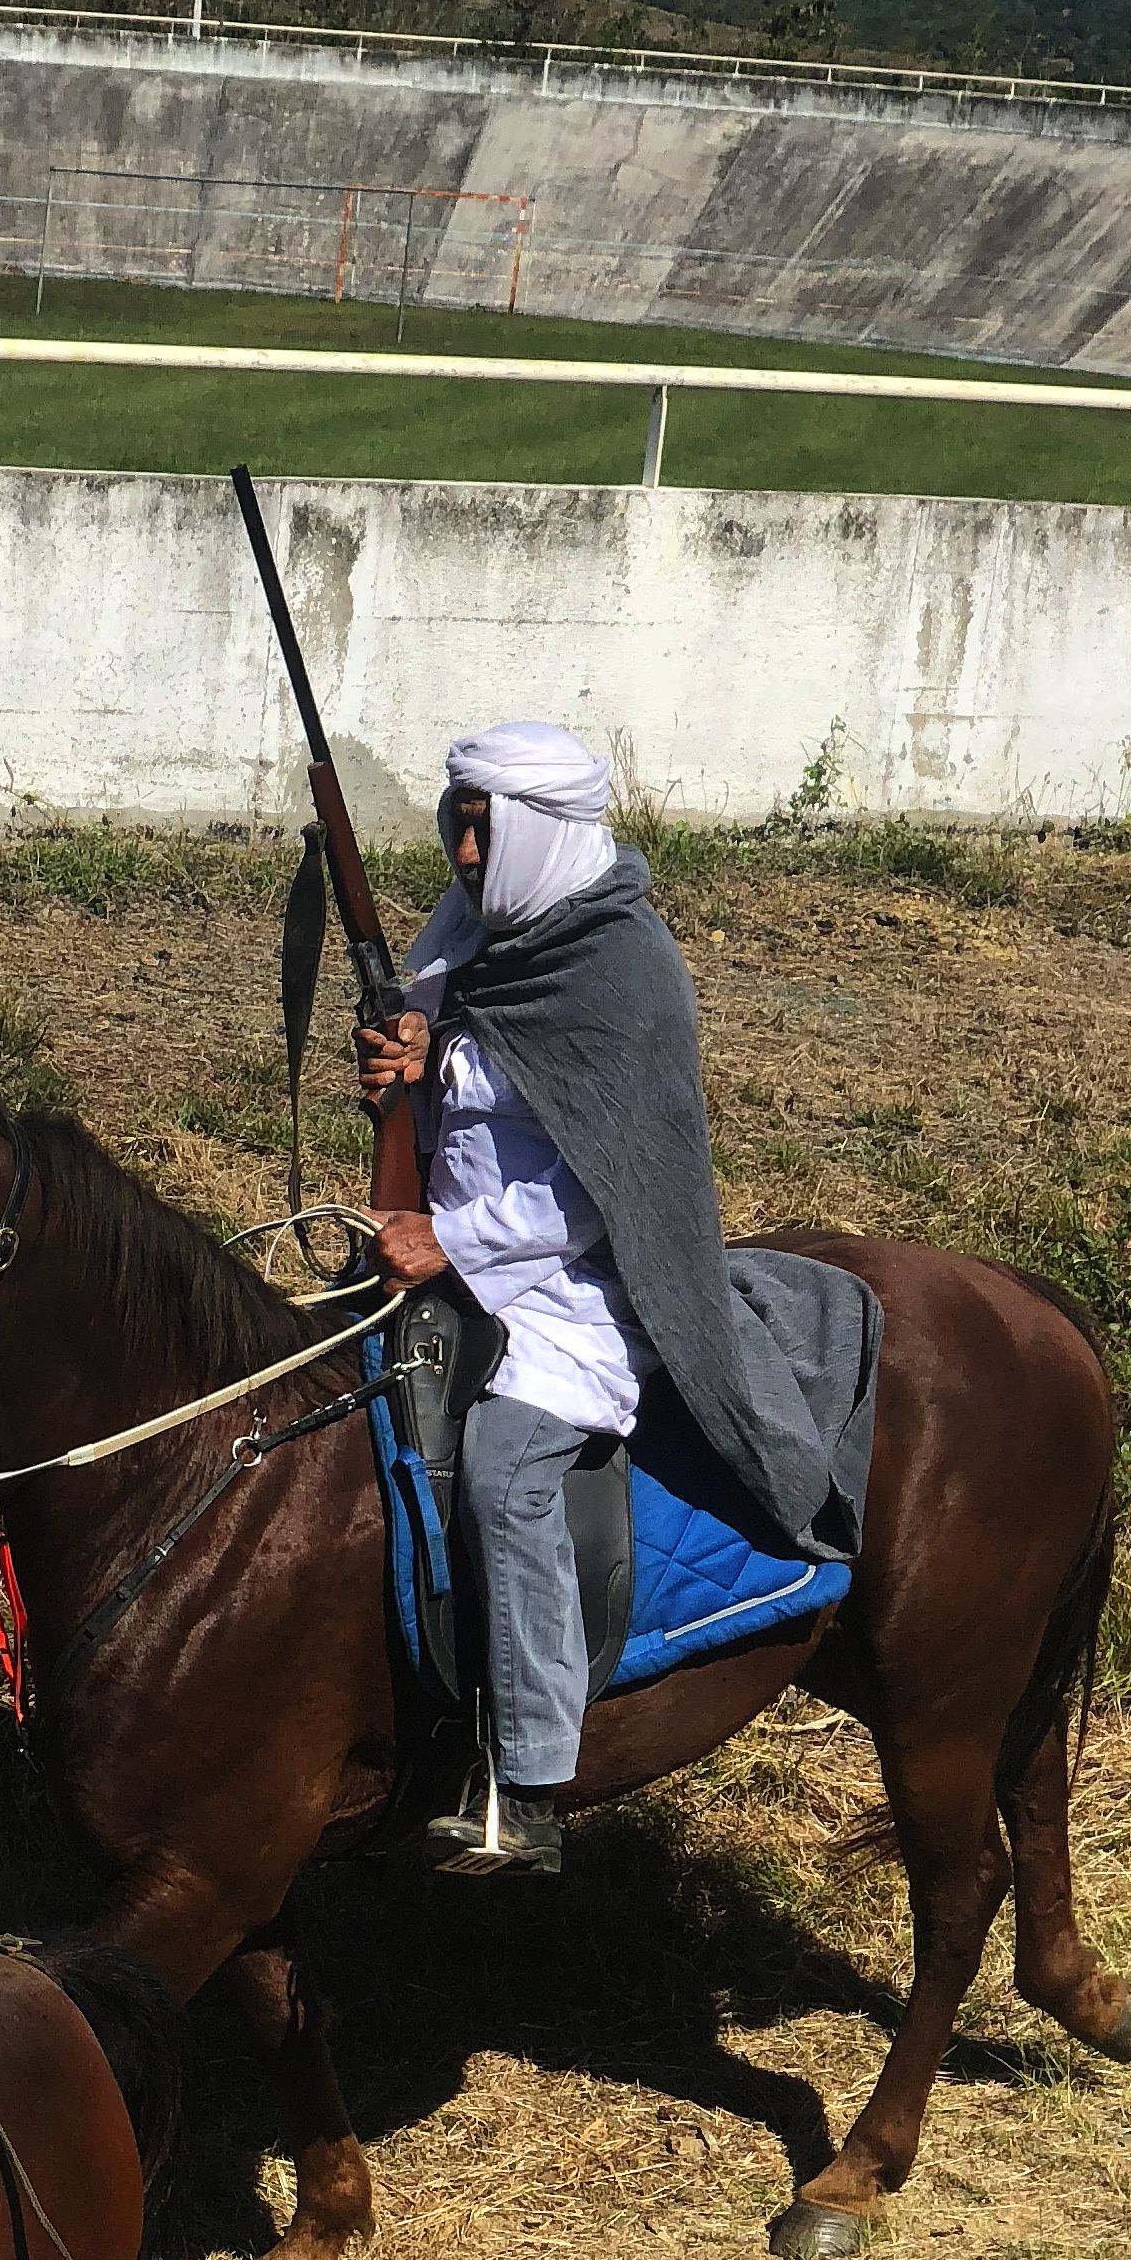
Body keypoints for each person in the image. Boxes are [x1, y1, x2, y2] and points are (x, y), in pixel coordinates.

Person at [360, 724, 877, 1879]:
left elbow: (599, 1192)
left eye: (488, 827)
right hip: (455, 1256)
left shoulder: (623, 975)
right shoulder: (485, 935)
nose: (464, 849)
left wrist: (450, 1240)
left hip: (579, 1288)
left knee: (505, 1468)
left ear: (544, 830)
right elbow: (463, 1080)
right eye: (459, 821)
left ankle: (530, 1781)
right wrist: (409, 1064)